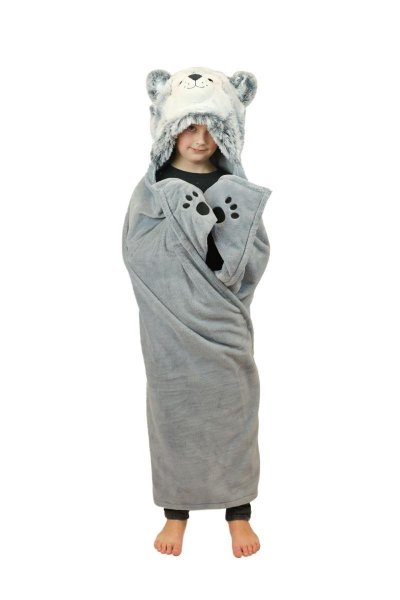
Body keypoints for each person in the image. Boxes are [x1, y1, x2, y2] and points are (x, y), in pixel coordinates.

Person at [122, 67, 272, 558]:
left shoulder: (234, 186)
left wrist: (224, 257)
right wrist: (181, 238)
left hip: (222, 319)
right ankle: (176, 513)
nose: (200, 140)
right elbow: (136, 251)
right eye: (188, 127)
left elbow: (256, 251)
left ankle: (239, 514)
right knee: (174, 410)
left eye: (211, 129)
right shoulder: (154, 188)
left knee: (234, 408)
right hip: (170, 323)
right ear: (169, 131)